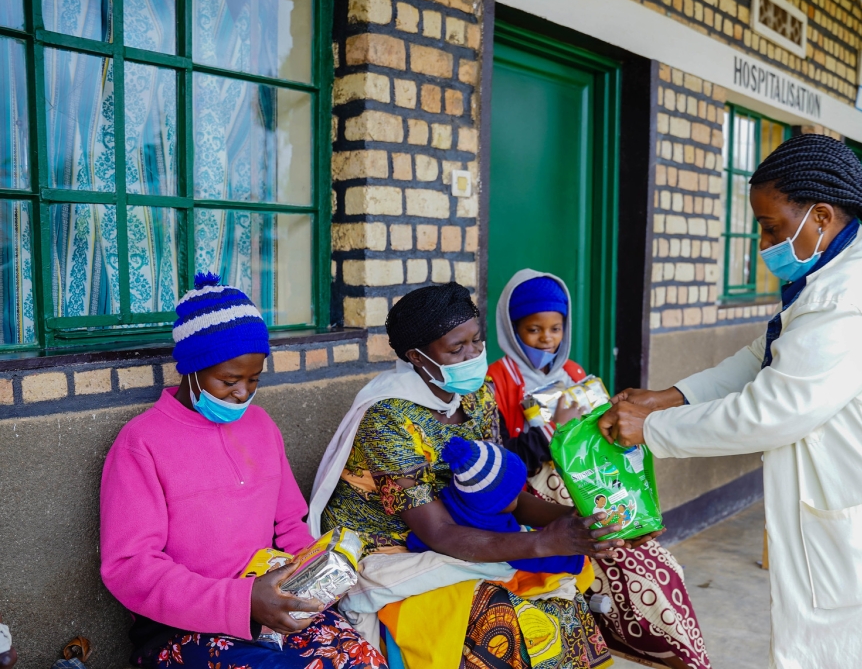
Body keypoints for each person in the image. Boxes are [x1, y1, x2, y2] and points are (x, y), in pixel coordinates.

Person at [599, 134, 862, 668]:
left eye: (772, 227)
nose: (764, 245)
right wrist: (670, 397)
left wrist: (651, 429)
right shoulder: (837, 266)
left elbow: (775, 412)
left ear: (820, 216)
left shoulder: (850, 296)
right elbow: (769, 353)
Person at [309, 283, 620, 669]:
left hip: (463, 530)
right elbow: (435, 533)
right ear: (416, 357)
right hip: (388, 549)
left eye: (476, 341)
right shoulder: (387, 419)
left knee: (561, 597)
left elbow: (499, 496)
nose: (472, 355)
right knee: (504, 617)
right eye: (456, 349)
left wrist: (576, 523)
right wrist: (542, 543)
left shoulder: (476, 395)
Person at [99, 274, 385, 669]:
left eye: (253, 380)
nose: (242, 394)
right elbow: (131, 567)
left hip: (275, 603)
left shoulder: (262, 426)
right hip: (182, 628)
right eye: (229, 381)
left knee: (361, 658)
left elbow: (289, 524)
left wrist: (316, 570)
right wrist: (242, 600)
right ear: (192, 369)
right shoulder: (141, 443)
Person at [488, 270, 711, 669]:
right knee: (617, 560)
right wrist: (549, 429)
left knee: (651, 558)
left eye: (555, 328)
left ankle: (681, 650)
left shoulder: (575, 375)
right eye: (533, 329)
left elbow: (603, 449)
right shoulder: (497, 381)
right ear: (511, 328)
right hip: (538, 498)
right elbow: (501, 460)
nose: (546, 339)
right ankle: (656, 642)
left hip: (592, 488)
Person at [405, 437, 587, 575]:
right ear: (496, 504)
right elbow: (525, 558)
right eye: (514, 496)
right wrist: (573, 559)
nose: (519, 497)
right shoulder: (489, 523)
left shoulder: (461, 494)